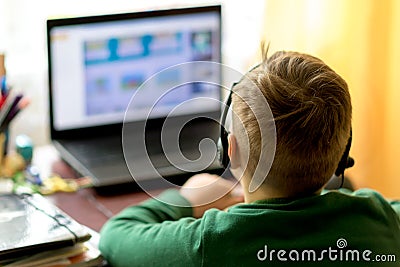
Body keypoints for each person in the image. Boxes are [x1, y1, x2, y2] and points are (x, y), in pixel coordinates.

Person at [99, 47, 400, 266]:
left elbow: (115, 236)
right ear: (342, 151)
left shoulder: (211, 243)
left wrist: (191, 200)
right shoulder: (382, 220)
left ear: (231, 151)